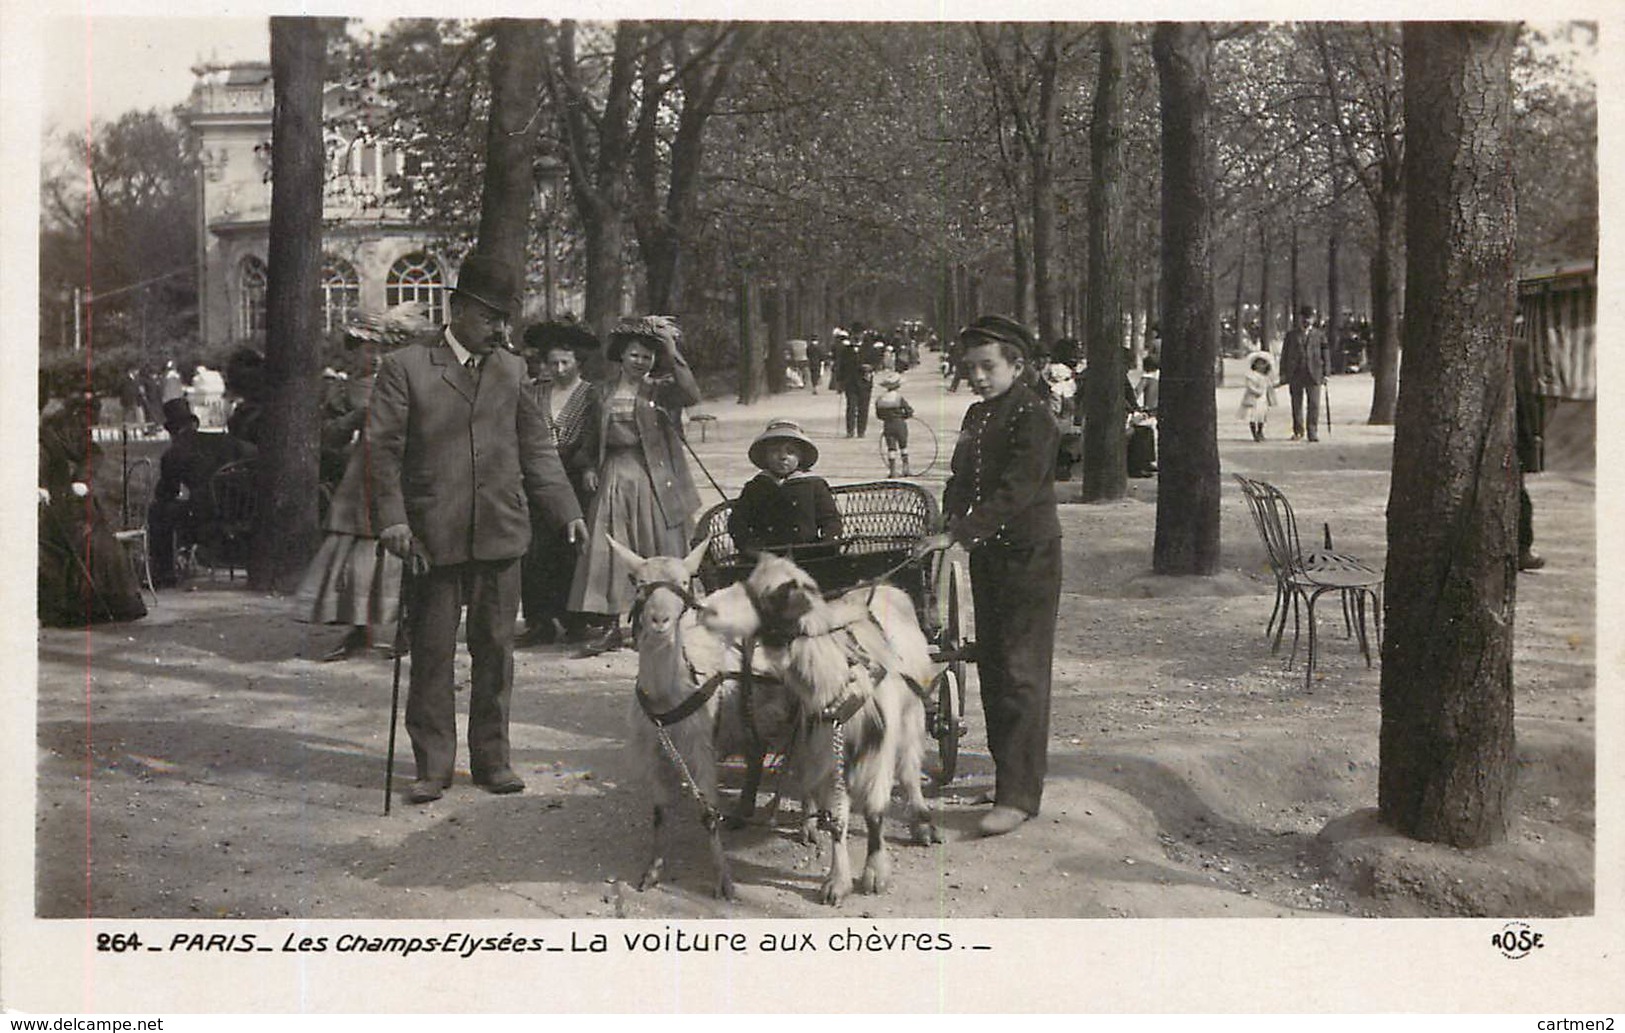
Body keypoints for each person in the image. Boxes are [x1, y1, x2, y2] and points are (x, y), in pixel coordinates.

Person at [368, 253, 588, 804]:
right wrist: (393, 519)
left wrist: (567, 510)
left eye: (505, 318)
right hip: (432, 534)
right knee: (433, 652)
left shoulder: (512, 371)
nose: (501, 329)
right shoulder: (407, 367)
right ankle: (433, 766)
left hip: (499, 530)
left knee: (495, 650)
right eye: (490, 317)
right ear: (458, 308)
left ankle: (492, 759)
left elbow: (536, 449)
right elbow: (382, 453)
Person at [914, 315, 1060, 837]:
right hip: (990, 555)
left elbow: (1017, 488)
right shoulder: (978, 414)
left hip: (1028, 555)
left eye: (988, 366)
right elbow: (962, 477)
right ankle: (1007, 780)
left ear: (1017, 366)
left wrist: (963, 533)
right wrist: (949, 516)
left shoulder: (1034, 417)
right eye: (969, 368)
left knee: (1021, 672)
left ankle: (1021, 795)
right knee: (994, 667)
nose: (977, 377)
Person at [296, 304, 427, 661]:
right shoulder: (345, 388)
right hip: (361, 475)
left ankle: (407, 626)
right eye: (367, 348)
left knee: (404, 547)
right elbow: (330, 437)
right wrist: (356, 416)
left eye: (380, 348)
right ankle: (358, 627)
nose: (374, 356)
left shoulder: (409, 380)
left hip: (402, 469)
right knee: (358, 555)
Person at [568, 314, 703, 657]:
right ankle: (611, 624)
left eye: (647, 356)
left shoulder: (660, 390)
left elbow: (691, 394)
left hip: (653, 474)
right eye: (634, 355)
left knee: (655, 542)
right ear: (621, 356)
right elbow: (590, 435)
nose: (640, 361)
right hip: (614, 471)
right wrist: (586, 467)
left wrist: (671, 348)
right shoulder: (602, 391)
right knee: (611, 547)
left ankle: (655, 619)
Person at [517, 320, 602, 645]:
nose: (559, 368)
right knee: (534, 549)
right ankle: (540, 620)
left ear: (578, 362)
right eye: (553, 363)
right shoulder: (535, 391)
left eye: (566, 362)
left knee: (572, 548)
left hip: (573, 474)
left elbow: (594, 436)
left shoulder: (591, 394)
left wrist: (586, 465)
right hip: (535, 475)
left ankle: (576, 619)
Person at [37, 392, 148, 627]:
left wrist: (83, 478)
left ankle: (107, 603)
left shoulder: (82, 438)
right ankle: (75, 606)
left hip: (76, 502)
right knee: (80, 539)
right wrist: (41, 485)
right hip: (54, 502)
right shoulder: (48, 437)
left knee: (101, 542)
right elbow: (42, 463)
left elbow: (91, 455)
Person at [147, 397, 256, 587]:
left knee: (158, 512)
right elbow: (253, 455)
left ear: (171, 430)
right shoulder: (227, 442)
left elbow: (166, 493)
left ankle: (164, 573)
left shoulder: (174, 453)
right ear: (195, 423)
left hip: (206, 517)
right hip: (241, 511)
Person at [728, 419, 842, 561]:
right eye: (775, 451)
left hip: (807, 553)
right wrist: (749, 546)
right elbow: (737, 521)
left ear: (800, 457)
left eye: (790, 452)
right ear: (765, 456)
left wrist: (828, 541)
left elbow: (830, 519)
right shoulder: (756, 486)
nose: (783, 457)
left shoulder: (813, 484)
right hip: (766, 555)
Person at [1279, 304, 1329, 442]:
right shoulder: (1291, 335)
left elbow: (1325, 355)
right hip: (1295, 373)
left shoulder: (1319, 335)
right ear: (1300, 318)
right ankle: (1298, 431)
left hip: (1314, 373)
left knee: (1314, 404)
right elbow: (1285, 354)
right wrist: (1283, 372)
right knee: (1296, 404)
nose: (1307, 321)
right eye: (1304, 318)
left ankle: (1312, 431)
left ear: (1313, 319)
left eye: (1310, 318)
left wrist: (1326, 373)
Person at [832, 328, 877, 437]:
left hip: (865, 382)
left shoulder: (869, 348)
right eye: (855, 334)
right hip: (850, 383)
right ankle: (850, 431)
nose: (857, 336)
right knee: (851, 407)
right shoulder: (846, 350)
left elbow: (876, 362)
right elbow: (841, 366)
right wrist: (839, 382)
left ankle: (861, 431)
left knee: (863, 408)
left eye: (859, 334)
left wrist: (871, 367)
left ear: (862, 335)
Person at [874, 372, 915, 477]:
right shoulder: (898, 398)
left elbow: (879, 415)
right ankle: (906, 469)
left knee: (891, 448)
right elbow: (909, 411)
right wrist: (905, 416)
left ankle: (892, 471)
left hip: (887, 425)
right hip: (899, 424)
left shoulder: (880, 399)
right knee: (903, 446)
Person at [1239, 350, 1279, 441]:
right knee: (1253, 416)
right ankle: (1254, 433)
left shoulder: (1266, 377)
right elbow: (1249, 386)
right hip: (1253, 398)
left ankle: (1260, 431)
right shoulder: (1251, 375)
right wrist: (1256, 391)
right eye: (1258, 364)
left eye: (1263, 364)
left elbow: (1271, 385)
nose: (1260, 366)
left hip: (1263, 399)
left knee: (1261, 416)